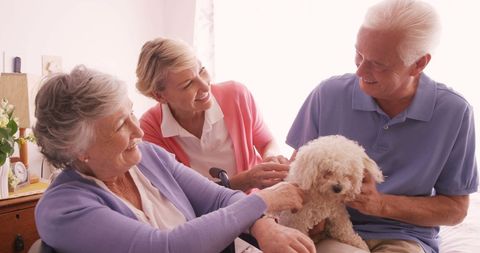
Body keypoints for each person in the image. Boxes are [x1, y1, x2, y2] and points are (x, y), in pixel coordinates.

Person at [33, 65, 316, 253]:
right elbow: (166, 248)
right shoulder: (63, 209)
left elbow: (219, 199)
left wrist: (262, 225)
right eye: (121, 125)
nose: (139, 130)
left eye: (131, 113)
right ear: (79, 149)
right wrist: (265, 200)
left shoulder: (149, 157)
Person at [286, 0, 478, 253]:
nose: (360, 70)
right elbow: (298, 170)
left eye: (378, 63)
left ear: (419, 64)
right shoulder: (328, 94)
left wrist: (381, 205)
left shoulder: (454, 112)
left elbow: (455, 210)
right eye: (359, 54)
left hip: (404, 236)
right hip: (333, 228)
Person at [136, 37, 289, 192]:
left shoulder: (237, 95)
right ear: (160, 96)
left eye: (201, 70)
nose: (204, 86)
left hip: (259, 202)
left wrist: (271, 159)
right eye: (188, 84)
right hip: (208, 215)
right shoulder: (150, 129)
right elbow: (179, 194)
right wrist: (245, 181)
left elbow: (266, 142)